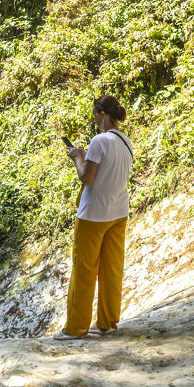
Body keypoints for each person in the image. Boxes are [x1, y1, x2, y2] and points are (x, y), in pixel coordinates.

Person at [55, 95, 134, 339]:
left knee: (84, 269)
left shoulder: (99, 141)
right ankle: (107, 322)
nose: (94, 119)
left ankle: (76, 328)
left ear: (101, 114)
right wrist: (86, 154)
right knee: (111, 269)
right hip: (118, 212)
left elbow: (86, 178)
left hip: (93, 215)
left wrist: (78, 157)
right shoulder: (126, 141)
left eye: (94, 114)